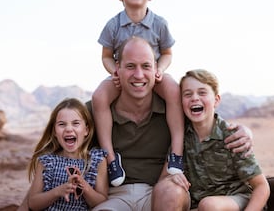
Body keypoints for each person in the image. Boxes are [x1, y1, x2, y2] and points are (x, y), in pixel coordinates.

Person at [18, 37, 253, 211]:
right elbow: (56, 156)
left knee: (171, 191)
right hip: (113, 197)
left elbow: (207, 120)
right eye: (130, 66)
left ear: (156, 71)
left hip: (161, 192)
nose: (138, 75)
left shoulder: (173, 109)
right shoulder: (96, 113)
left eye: (146, 66)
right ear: (117, 70)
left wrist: (245, 130)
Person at [92, 0, 185, 186]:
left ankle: (177, 152)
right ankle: (111, 158)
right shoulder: (113, 25)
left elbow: (167, 53)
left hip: (152, 74)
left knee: (173, 89)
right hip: (124, 75)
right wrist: (113, 70)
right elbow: (105, 56)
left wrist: (160, 69)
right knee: (99, 97)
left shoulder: (159, 23)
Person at [178, 69, 270, 210]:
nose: (194, 98)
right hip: (200, 205)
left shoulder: (233, 137)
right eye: (187, 94)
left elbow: (262, 186)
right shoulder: (181, 136)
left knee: (209, 205)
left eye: (202, 92)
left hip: (237, 200)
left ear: (216, 100)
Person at [26, 98, 108, 210]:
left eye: (76, 123)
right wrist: (57, 191)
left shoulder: (96, 161)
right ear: (54, 131)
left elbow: (101, 201)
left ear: (86, 130)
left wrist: (84, 186)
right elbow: (33, 204)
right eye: (62, 124)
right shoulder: (47, 161)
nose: (69, 129)